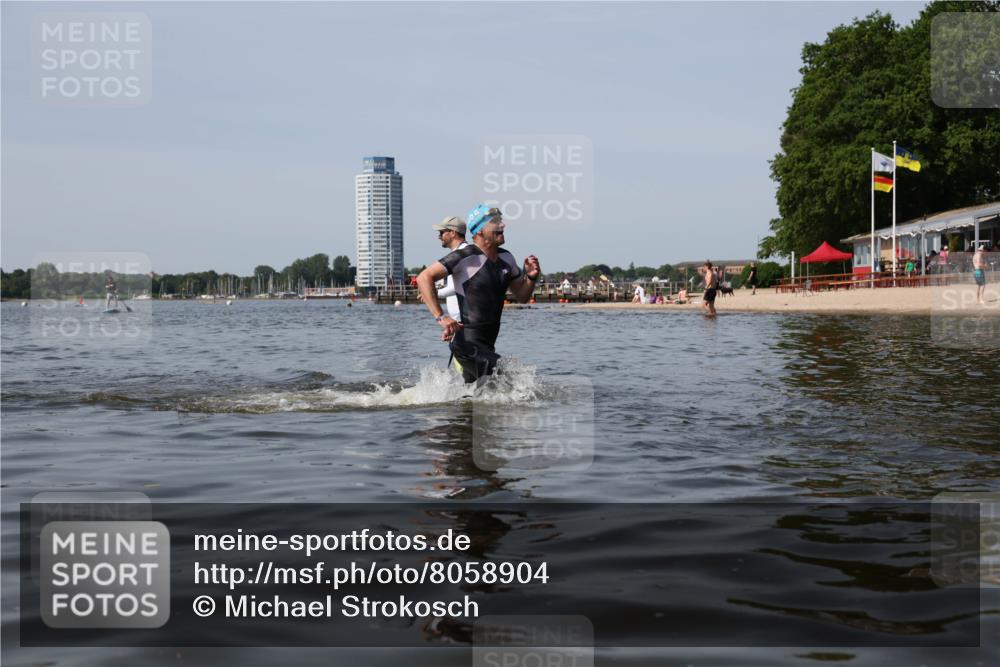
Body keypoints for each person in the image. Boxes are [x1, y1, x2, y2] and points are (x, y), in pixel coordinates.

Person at [416, 204, 541, 383]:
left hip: (487, 345)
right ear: (480, 230)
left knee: (473, 400)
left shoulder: (507, 258)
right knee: (513, 381)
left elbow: (521, 296)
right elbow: (424, 277)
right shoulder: (465, 256)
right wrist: (441, 317)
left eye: (501, 221)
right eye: (495, 222)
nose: (503, 225)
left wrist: (530, 278)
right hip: (466, 344)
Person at [429, 216, 468, 321]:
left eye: (441, 233)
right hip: (460, 320)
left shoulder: (461, 254)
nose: (439, 237)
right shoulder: (461, 252)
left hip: (464, 320)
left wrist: (432, 293)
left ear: (452, 233)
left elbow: (461, 287)